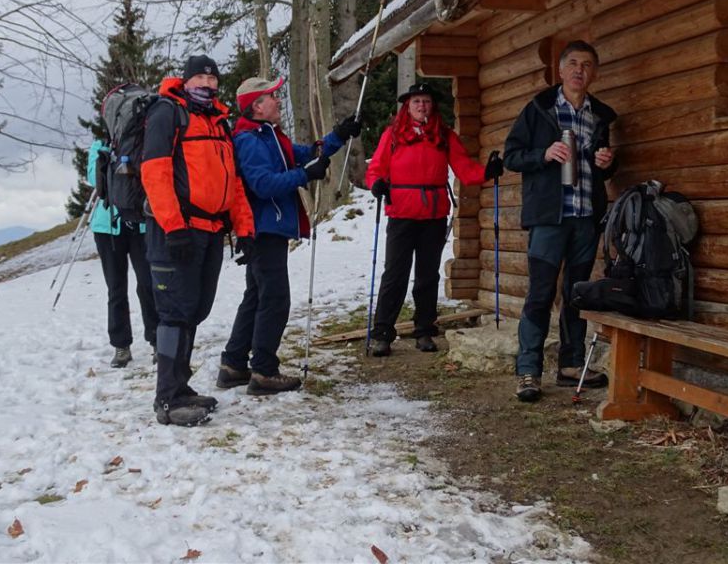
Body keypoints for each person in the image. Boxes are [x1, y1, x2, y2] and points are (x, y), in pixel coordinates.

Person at [217, 76, 362, 395]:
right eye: (273, 97)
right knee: (275, 298)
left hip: (265, 227)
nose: (279, 101)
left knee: (256, 296)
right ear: (257, 105)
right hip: (262, 228)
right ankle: (264, 372)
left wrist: (337, 136)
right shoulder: (249, 140)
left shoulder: (269, 137)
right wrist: (302, 175)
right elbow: (263, 184)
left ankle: (233, 365)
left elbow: (307, 154)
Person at [141, 55, 255, 427]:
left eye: (212, 77)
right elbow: (155, 173)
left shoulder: (218, 122)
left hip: (210, 231)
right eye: (200, 77)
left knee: (194, 309)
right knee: (173, 312)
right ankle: (168, 399)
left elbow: (234, 182)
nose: (207, 83)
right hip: (176, 230)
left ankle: (182, 386)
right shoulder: (167, 114)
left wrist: (245, 230)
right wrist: (173, 226)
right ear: (185, 80)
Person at [503, 40, 618, 403]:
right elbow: (512, 156)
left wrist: (607, 163)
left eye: (586, 64)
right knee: (540, 292)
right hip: (548, 218)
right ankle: (528, 371)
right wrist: (544, 153)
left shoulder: (599, 115)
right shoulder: (538, 109)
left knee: (577, 293)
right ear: (561, 70)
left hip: (585, 217)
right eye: (572, 63)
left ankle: (571, 364)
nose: (579, 70)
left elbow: (605, 168)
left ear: (593, 73)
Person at [365, 81, 499, 357]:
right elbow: (376, 168)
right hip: (401, 213)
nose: (422, 106)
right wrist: (377, 183)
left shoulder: (444, 135)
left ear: (432, 105)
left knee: (427, 276)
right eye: (416, 102)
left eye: (426, 101)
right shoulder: (392, 135)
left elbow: (465, 168)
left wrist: (488, 172)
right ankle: (382, 333)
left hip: (433, 215)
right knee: (395, 275)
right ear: (407, 106)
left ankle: (425, 331)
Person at [87, 139, 158, 368]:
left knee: (148, 283)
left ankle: (157, 340)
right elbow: (94, 182)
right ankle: (121, 345)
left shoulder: (140, 141)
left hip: (139, 223)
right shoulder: (100, 146)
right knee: (116, 287)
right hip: (107, 225)